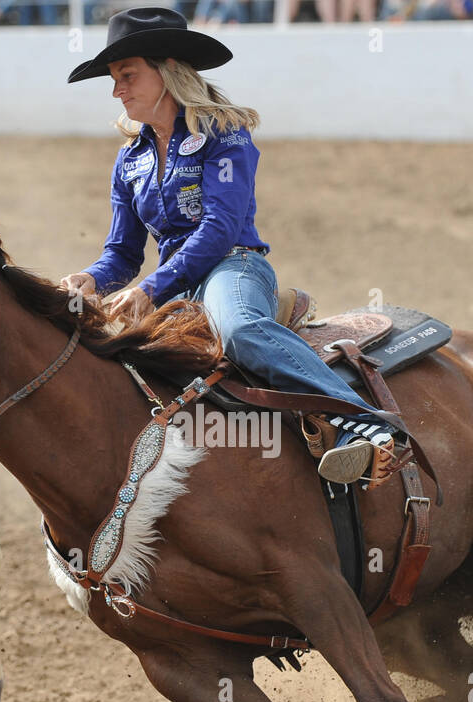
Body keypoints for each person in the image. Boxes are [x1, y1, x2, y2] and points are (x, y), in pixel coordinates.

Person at [59, 6, 401, 485]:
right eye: (114, 79)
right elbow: (122, 252)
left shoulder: (224, 134)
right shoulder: (128, 162)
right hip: (176, 287)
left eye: (127, 75)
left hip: (233, 267)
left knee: (238, 328)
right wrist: (91, 279)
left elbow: (219, 229)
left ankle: (369, 425)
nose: (117, 90)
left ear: (167, 71)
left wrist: (150, 288)